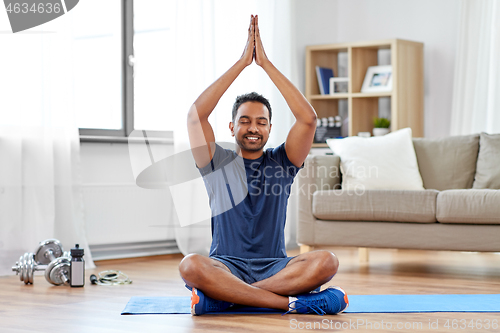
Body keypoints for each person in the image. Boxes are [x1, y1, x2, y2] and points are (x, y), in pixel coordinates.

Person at [179, 14, 348, 316]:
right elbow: (196, 117)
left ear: (270, 129)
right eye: (244, 121)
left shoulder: (283, 161)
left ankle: (226, 299)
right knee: (190, 264)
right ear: (231, 128)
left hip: (276, 267)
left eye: (261, 122)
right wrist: (243, 63)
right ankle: (292, 303)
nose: (253, 128)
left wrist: (265, 63)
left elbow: (308, 119)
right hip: (225, 265)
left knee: (327, 261)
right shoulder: (216, 162)